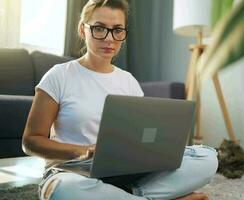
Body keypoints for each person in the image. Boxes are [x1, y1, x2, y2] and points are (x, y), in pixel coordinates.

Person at [22, 0, 218, 199]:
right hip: (71, 172)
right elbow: (30, 142)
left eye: (117, 30)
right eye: (99, 29)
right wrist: (85, 151)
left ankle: (128, 195)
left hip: (126, 173)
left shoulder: (128, 81)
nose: (109, 39)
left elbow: (141, 135)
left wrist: (152, 151)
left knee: (207, 158)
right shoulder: (59, 76)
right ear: (83, 30)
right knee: (65, 191)